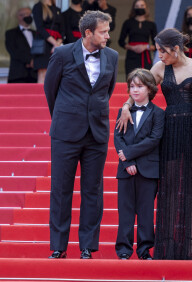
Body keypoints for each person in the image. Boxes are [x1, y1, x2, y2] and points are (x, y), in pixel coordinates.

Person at [117, 28, 192, 260]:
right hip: (168, 131)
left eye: (162, 51)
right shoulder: (159, 68)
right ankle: (166, 246)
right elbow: (142, 86)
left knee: (190, 189)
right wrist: (127, 106)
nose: (159, 56)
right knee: (167, 188)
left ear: (176, 49)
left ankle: (189, 245)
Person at [44, 11, 118, 259]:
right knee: (61, 189)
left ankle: (87, 246)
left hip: (96, 133)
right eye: (103, 31)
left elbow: (106, 92)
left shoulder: (112, 56)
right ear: (88, 33)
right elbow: (50, 90)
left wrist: (91, 115)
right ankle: (59, 246)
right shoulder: (63, 54)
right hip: (66, 132)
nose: (108, 35)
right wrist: (67, 117)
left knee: (93, 191)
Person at [114, 68, 165, 260]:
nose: (134, 90)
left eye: (139, 86)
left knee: (146, 213)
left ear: (150, 88)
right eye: (132, 86)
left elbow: (154, 139)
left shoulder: (158, 114)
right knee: (125, 212)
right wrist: (128, 161)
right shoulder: (123, 111)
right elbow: (118, 138)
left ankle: (144, 250)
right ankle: (124, 250)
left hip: (149, 170)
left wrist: (128, 153)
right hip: (126, 169)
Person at [118, 0, 157, 77]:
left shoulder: (151, 24)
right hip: (131, 56)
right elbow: (121, 41)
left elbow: (156, 44)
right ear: (134, 8)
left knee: (146, 79)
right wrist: (132, 47)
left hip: (145, 56)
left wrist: (146, 47)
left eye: (142, 6)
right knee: (131, 78)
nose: (140, 8)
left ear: (146, 7)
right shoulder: (128, 23)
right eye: (137, 6)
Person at [32, 0, 65, 83]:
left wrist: (57, 44)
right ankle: (40, 96)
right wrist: (55, 43)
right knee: (43, 73)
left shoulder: (57, 9)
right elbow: (40, 27)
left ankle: (50, 96)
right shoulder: (38, 6)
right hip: (43, 44)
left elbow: (62, 30)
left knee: (55, 74)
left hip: (56, 44)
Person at [5, 7, 37, 83]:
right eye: (25, 14)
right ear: (19, 16)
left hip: (34, 75)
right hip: (18, 75)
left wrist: (36, 62)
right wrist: (30, 61)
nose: (28, 16)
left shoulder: (36, 34)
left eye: (30, 14)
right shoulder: (11, 33)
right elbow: (13, 51)